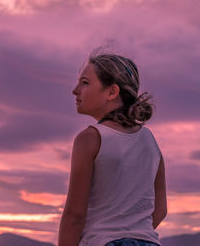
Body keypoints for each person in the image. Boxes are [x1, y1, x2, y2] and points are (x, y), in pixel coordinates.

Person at [58, 49, 167, 246]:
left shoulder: (90, 138)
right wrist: (133, 232)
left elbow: (75, 216)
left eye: (85, 83)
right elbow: (160, 209)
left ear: (111, 92)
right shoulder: (150, 140)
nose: (75, 90)